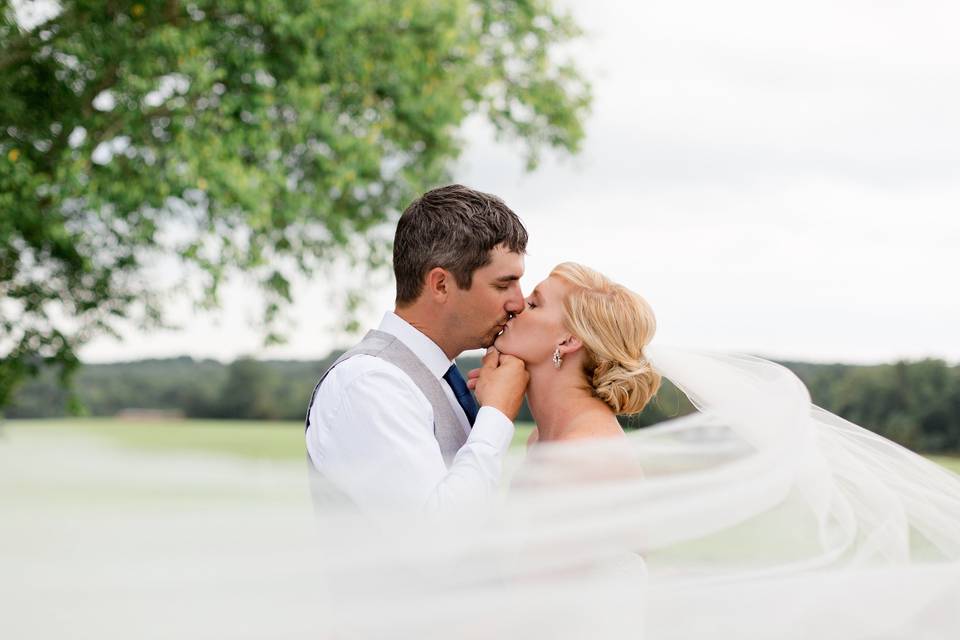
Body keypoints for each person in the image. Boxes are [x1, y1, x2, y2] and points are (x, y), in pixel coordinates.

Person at [305, 184, 530, 513]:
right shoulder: (369, 383)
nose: (519, 303)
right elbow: (434, 540)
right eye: (503, 284)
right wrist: (496, 416)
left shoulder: (442, 379)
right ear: (441, 284)